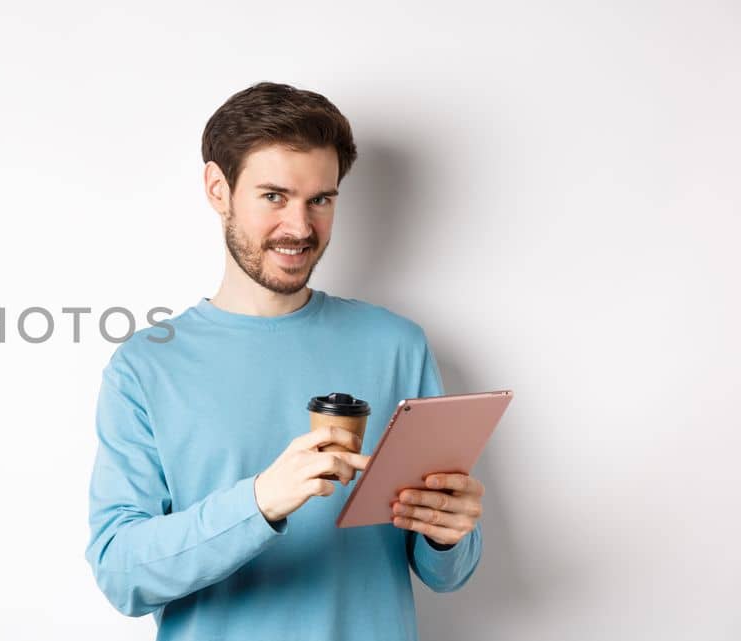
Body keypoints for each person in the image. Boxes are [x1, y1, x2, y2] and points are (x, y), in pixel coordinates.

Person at [84, 82, 485, 640]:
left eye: (320, 199)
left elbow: (449, 574)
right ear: (218, 189)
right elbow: (120, 573)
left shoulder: (397, 345)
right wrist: (261, 500)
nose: (299, 227)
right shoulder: (146, 366)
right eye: (274, 196)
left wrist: (449, 533)